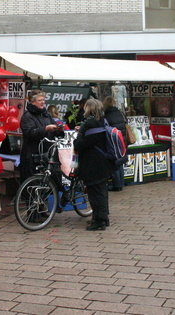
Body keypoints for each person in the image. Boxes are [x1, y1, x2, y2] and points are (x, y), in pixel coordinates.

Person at [74, 99, 116, 231]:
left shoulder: (90, 123)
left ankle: (98, 220)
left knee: (94, 193)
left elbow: (85, 143)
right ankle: (104, 218)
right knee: (102, 191)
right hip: (103, 161)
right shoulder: (102, 120)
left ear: (89, 108)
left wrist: (76, 141)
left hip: (93, 163)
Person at [20, 90, 64, 184]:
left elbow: (54, 130)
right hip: (33, 155)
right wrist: (45, 129)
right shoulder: (27, 116)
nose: (43, 102)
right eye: (40, 100)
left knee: (52, 180)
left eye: (43, 100)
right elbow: (30, 133)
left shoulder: (46, 114)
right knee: (34, 183)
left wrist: (59, 130)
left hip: (48, 153)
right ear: (32, 102)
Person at [102, 96, 127, 192]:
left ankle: (117, 185)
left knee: (114, 163)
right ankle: (121, 183)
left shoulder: (107, 116)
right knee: (120, 162)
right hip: (121, 140)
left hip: (113, 141)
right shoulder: (119, 113)